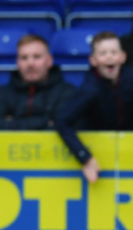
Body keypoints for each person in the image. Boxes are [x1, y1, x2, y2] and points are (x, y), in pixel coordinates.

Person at [55, 31, 133, 183]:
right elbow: (62, 121)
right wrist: (85, 158)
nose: (109, 57)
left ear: (123, 57)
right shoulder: (89, 89)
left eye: (113, 52)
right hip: (98, 155)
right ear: (93, 60)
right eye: (103, 53)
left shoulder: (130, 79)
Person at [0, 34, 77, 130]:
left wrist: (12, 122)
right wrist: (46, 122)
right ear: (17, 62)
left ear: (49, 60)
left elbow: (66, 127)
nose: (30, 63)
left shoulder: (67, 92)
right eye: (24, 58)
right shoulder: (1, 93)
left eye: (37, 57)